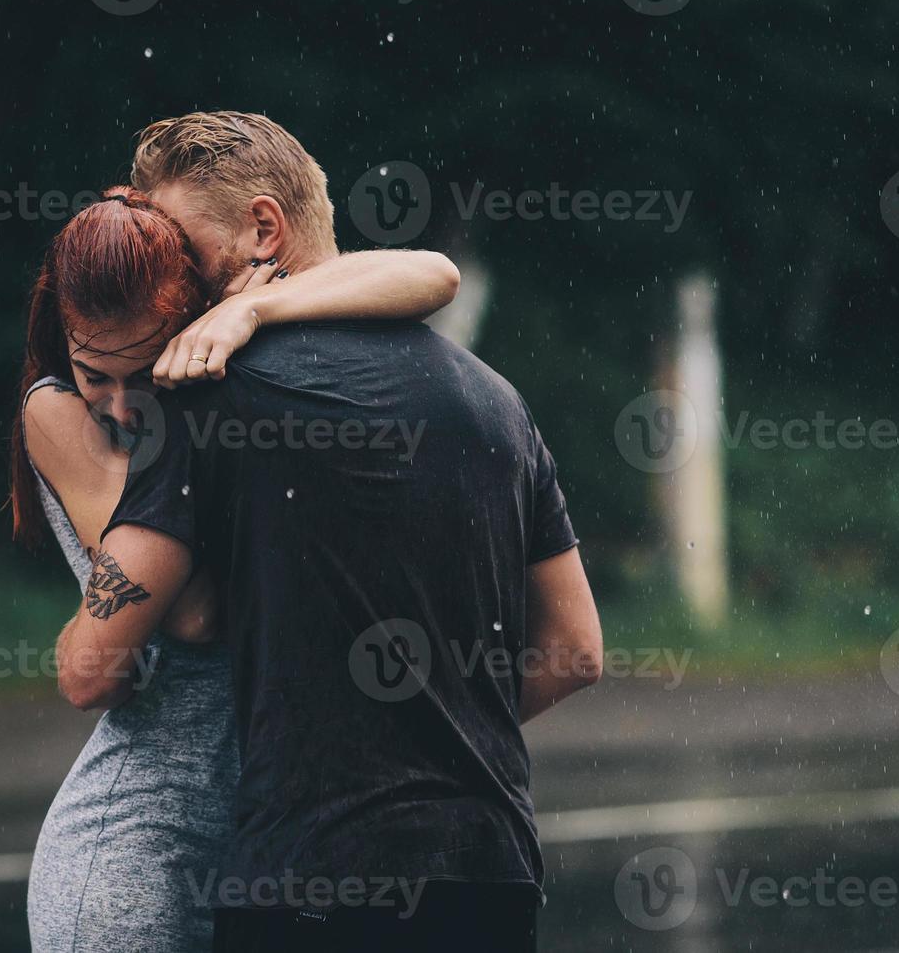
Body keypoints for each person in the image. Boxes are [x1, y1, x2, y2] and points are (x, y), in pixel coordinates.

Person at [56, 111, 604, 952]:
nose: (173, 284)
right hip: (488, 873)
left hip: (307, 879)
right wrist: (433, 731)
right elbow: (576, 650)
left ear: (263, 228)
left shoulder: (211, 398)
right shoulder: (495, 400)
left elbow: (92, 667)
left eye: (185, 253)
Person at [11, 178, 462, 951]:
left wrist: (257, 308)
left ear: (188, 325)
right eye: (96, 374)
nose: (120, 408)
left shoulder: (223, 365)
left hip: (262, 847)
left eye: (142, 372)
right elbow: (194, 612)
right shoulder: (56, 414)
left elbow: (434, 276)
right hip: (139, 853)